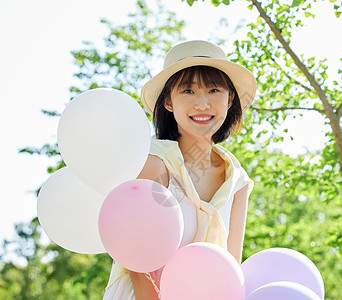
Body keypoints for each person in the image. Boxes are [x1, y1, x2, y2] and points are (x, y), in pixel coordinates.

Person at [103, 40, 257, 300]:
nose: (202, 104)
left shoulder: (238, 180)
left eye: (214, 90)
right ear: (168, 102)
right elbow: (133, 258)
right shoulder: (156, 162)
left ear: (230, 99)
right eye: (188, 91)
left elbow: (232, 267)